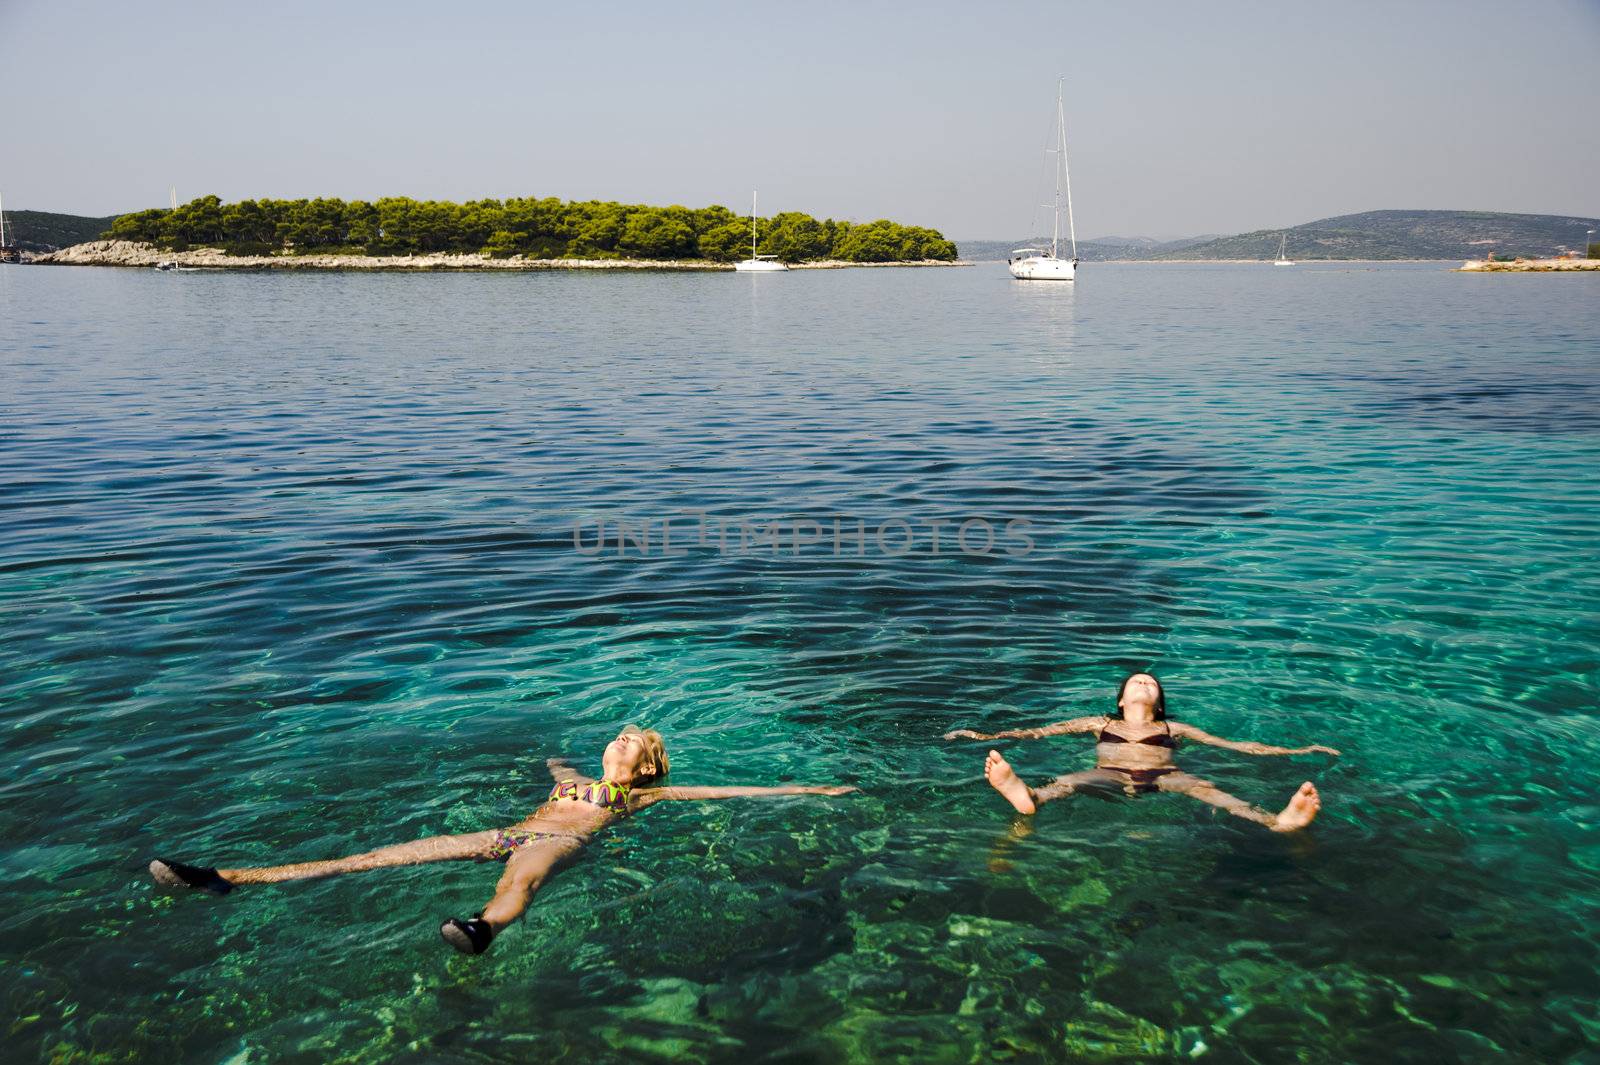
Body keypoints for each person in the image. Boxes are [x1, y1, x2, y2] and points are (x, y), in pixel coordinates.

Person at [149, 724, 855, 954]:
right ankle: (226, 877)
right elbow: (554, 764)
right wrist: (545, 757)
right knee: (369, 857)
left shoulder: (646, 793)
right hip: (510, 830)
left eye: (632, 740)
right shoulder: (576, 772)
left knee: (519, 884)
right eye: (619, 732)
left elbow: (727, 792)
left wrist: (814, 790)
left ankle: (481, 930)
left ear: (642, 764)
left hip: (558, 845)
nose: (620, 738)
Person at [944, 673, 1338, 832]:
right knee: (1071, 781)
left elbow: (1239, 746)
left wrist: (1300, 749)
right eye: (1137, 681)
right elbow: (1038, 732)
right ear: (1120, 699)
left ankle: (1277, 821)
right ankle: (1027, 796)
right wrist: (982, 736)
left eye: (1151, 683)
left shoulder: (1174, 728)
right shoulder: (1100, 723)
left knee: (1211, 790)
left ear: (1160, 704)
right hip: (1110, 772)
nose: (1145, 683)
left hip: (1167, 777)